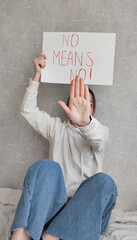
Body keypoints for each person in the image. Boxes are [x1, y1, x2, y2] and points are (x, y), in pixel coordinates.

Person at [8, 53, 118, 240]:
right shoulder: (57, 128)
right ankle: (23, 234)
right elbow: (28, 111)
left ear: (93, 110)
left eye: (88, 104)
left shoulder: (100, 131)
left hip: (84, 213)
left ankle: (53, 237)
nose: (83, 106)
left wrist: (85, 122)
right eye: (78, 102)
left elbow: (97, 137)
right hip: (55, 208)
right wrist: (37, 76)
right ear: (67, 106)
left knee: (105, 182)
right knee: (46, 166)